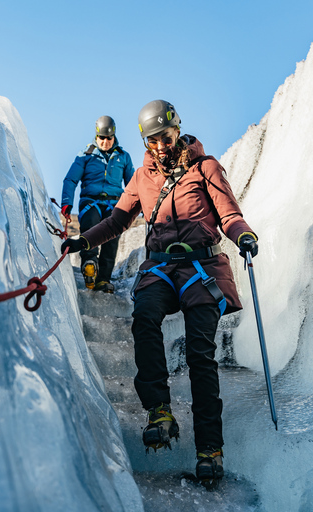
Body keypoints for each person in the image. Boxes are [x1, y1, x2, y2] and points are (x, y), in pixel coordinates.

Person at [61, 100, 258, 487]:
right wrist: (84, 241)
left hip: (203, 270)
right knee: (144, 317)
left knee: (202, 356)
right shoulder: (141, 176)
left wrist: (243, 236)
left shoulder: (206, 168)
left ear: (177, 130)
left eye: (165, 138)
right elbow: (118, 220)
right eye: (153, 141)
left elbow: (229, 215)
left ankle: (210, 450)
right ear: (145, 142)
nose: (161, 147)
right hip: (161, 268)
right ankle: (159, 412)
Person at [60, 116, 135, 293]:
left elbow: (133, 184)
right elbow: (71, 179)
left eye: (109, 138)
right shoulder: (85, 155)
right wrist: (66, 203)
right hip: (90, 201)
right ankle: (89, 264)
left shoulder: (123, 157)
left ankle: (103, 279)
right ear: (96, 136)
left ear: (114, 136)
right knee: (91, 225)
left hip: (114, 203)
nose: (105, 142)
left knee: (112, 236)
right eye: (102, 138)